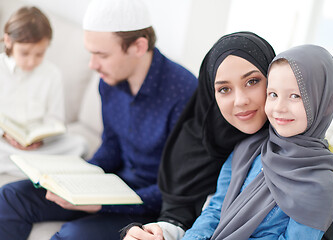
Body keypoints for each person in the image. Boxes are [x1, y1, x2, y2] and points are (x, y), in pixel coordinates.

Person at [0, 0, 197, 239]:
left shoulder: (185, 93)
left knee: (71, 236)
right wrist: (76, 180)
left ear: (138, 46)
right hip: (111, 186)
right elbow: (111, 148)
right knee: (11, 196)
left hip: (148, 205)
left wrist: (103, 205)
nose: (93, 65)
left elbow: (178, 194)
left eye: (101, 54)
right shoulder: (109, 81)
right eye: (91, 53)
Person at [122, 35, 333, 240]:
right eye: (224, 89)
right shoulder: (246, 148)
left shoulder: (315, 175)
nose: (240, 100)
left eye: (253, 81)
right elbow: (212, 210)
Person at [208, 44, 333, 239]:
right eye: (273, 94)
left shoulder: (317, 184)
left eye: (295, 96)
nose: (279, 107)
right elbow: (214, 210)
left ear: (325, 105)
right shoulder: (248, 148)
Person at [0, 6, 88, 176]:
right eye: (25, 53)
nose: (31, 61)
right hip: (5, 143)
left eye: (39, 54)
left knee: (80, 144)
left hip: (39, 145)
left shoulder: (52, 74)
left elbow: (55, 119)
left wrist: (42, 138)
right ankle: (35, 166)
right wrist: (5, 135)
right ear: (9, 42)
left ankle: (24, 164)